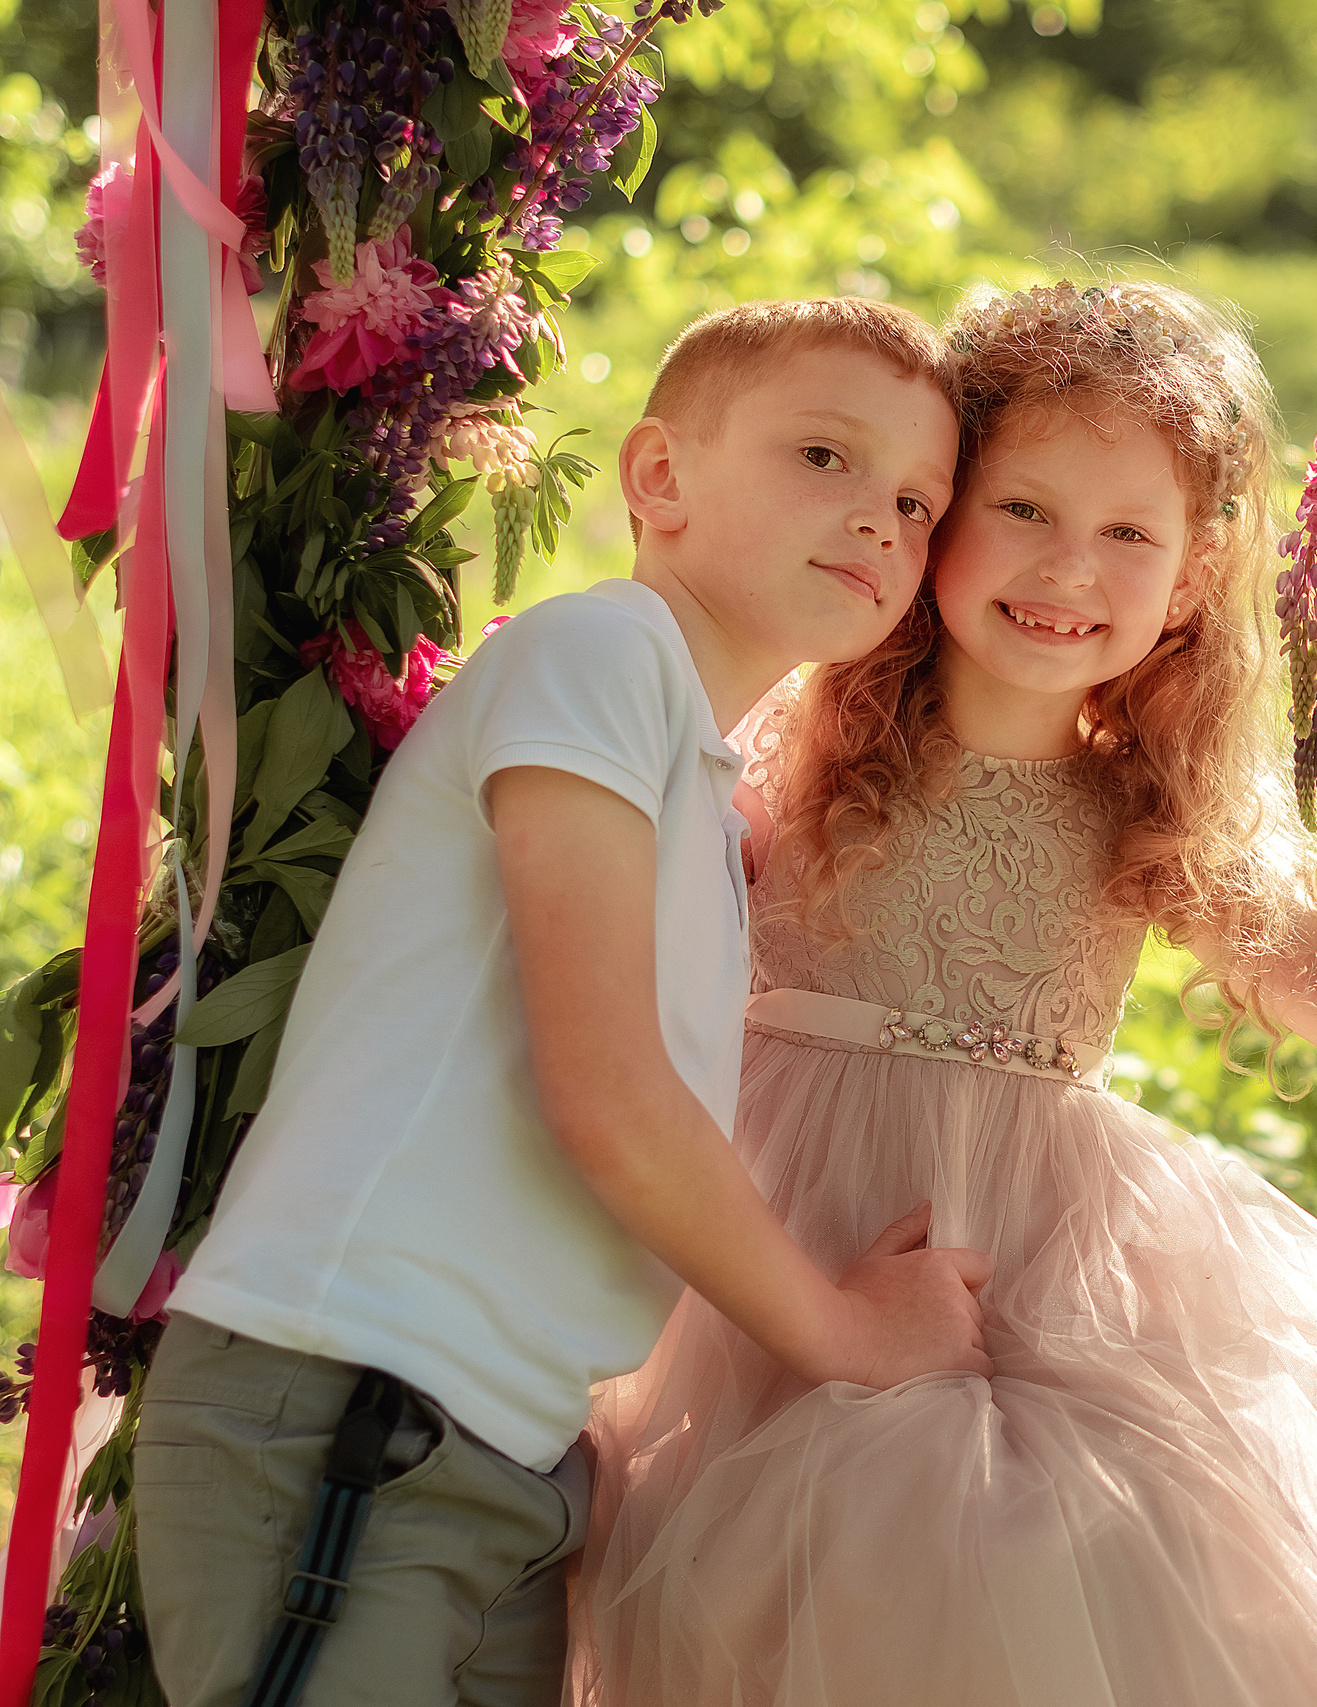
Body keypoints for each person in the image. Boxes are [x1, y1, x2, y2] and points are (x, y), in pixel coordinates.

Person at [574, 281, 1317, 1707]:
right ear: (939, 515)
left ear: (1189, 578)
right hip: (769, 1251)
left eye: (1129, 534)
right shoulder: (785, 729)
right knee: (787, 1594)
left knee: (1072, 1571)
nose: (1070, 572)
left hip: (1032, 1275)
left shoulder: (1152, 803)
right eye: (1025, 511)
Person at [131, 297, 992, 1707]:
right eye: (825, 458)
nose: (882, 521)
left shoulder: (701, 791)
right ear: (658, 479)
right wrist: (846, 1333)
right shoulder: (598, 659)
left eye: (917, 500)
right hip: (353, 1399)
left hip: (503, 1449)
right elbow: (606, 1095)